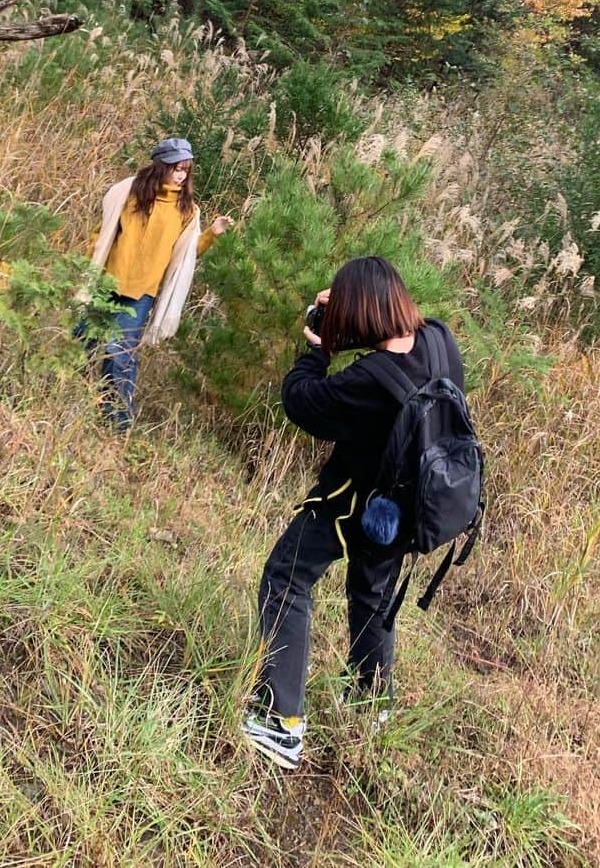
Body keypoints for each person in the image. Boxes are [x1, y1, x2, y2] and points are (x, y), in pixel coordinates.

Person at [241, 256, 464, 770]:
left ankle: (281, 723)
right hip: (413, 508)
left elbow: (302, 402)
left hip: (354, 503)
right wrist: (348, 312)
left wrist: (318, 349)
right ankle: (369, 707)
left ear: (360, 315)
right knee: (373, 594)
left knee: (286, 576)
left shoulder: (368, 378)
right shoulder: (439, 339)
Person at [81, 136, 232, 430]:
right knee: (82, 339)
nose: (181, 175)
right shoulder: (130, 193)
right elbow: (103, 232)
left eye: (186, 170)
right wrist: (89, 266)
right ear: (161, 166)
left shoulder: (187, 210)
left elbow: (186, 255)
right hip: (107, 283)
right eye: (176, 168)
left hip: (140, 293)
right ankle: (69, 396)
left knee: (120, 354)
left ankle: (118, 423)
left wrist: (211, 234)